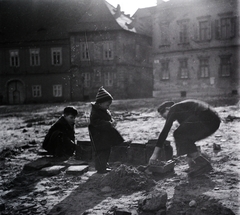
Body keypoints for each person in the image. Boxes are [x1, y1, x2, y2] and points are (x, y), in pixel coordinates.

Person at [149, 99, 221, 177]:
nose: (166, 119)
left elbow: (165, 131)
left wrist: (154, 155)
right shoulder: (183, 110)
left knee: (178, 134)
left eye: (164, 116)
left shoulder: (174, 108)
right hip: (213, 122)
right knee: (185, 136)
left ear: (167, 109)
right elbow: (188, 138)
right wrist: (189, 158)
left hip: (207, 119)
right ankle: (197, 164)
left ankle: (202, 163)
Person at [89, 86, 124, 174]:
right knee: (101, 151)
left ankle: (103, 165)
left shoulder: (102, 110)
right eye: (107, 105)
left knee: (106, 150)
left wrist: (111, 121)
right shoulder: (95, 112)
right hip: (98, 137)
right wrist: (108, 124)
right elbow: (96, 122)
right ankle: (100, 168)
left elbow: (106, 119)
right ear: (100, 103)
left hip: (104, 136)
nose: (108, 107)